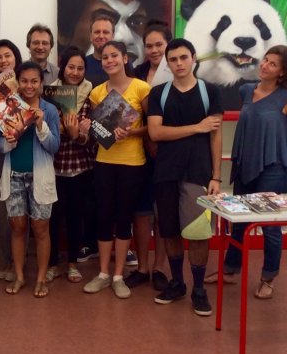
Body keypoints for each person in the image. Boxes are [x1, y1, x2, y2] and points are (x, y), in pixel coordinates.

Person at [205, 45, 287, 299]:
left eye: (273, 64)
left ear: (283, 72)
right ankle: (231, 269)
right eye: (265, 60)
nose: (264, 65)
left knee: (269, 226)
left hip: (274, 169)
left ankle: (268, 278)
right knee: (238, 221)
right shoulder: (246, 90)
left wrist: (286, 163)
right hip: (245, 164)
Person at [147, 38, 223, 317]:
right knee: (169, 231)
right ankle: (177, 283)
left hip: (198, 173)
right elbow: (156, 132)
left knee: (198, 233)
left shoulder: (210, 92)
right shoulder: (159, 93)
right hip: (165, 173)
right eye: (173, 59)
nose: (179, 63)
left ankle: (199, 289)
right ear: (167, 63)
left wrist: (216, 176)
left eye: (183, 57)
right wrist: (196, 127)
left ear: (193, 58)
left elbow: (215, 135)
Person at [82, 41, 150, 299]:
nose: (109, 60)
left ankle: (119, 276)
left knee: (124, 219)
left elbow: (152, 126)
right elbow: (99, 132)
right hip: (104, 162)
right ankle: (102, 274)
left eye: (114, 56)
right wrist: (88, 128)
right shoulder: (97, 92)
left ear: (125, 58)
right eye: (105, 57)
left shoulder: (141, 88)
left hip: (133, 163)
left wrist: (132, 132)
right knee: (103, 217)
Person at [0, 61, 60, 298]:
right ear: (18, 82)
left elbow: (54, 146)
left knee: (41, 228)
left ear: (41, 83)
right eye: (24, 81)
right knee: (18, 227)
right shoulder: (6, 107)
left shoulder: (49, 110)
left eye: (34, 81)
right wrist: (8, 140)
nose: (29, 86)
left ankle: (41, 278)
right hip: (14, 175)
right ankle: (20, 275)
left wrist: (41, 125)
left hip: (40, 176)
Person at [125, 20, 173, 292]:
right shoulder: (137, 73)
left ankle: (160, 268)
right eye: (149, 46)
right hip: (139, 152)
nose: (154, 50)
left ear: (168, 44)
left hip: (169, 153)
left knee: (163, 211)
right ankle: (142, 267)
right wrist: (146, 138)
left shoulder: (180, 73)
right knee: (141, 211)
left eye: (159, 45)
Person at [47, 47, 95, 284]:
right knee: (53, 218)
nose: (75, 72)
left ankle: (73, 263)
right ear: (63, 67)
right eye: (71, 67)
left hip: (80, 166)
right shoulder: (50, 92)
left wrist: (78, 135)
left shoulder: (91, 94)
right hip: (53, 165)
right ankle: (52, 264)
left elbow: (91, 134)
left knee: (76, 216)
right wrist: (70, 129)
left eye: (80, 68)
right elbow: (48, 125)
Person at [0, 39, 23, 281]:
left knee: (20, 212)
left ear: (16, 57)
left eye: (7, 55)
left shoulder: (27, 84)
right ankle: (6, 259)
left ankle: (19, 262)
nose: (3, 61)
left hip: (23, 155)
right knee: (2, 212)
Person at [85, 10, 116, 87]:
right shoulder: (82, 64)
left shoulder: (123, 64)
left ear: (113, 36)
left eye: (105, 32)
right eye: (97, 32)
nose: (101, 36)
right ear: (90, 36)